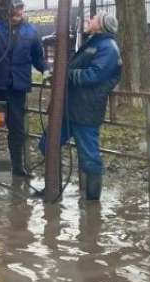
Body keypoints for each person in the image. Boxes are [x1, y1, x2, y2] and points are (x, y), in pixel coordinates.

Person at [42, 12, 122, 201]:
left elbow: (94, 76)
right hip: (69, 108)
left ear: (101, 24)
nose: (89, 20)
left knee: (90, 157)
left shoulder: (108, 48)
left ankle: (93, 203)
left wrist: (64, 74)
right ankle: (56, 188)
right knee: (47, 144)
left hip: (86, 110)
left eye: (93, 18)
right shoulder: (94, 43)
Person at [0, 0, 50, 177]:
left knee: (17, 128)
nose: (19, 12)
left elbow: (38, 56)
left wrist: (45, 69)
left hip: (17, 86)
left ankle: (17, 167)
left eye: (21, 8)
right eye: (16, 8)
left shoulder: (30, 31)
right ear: (8, 9)